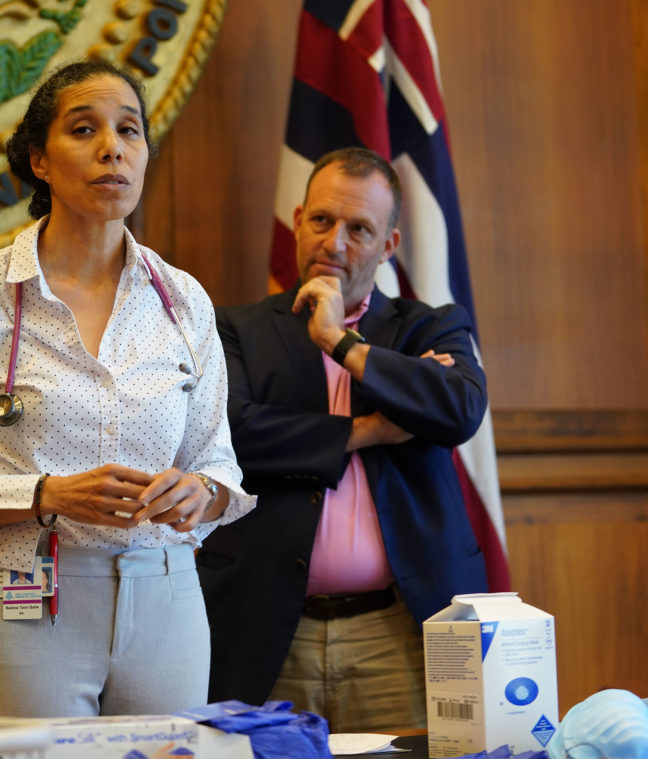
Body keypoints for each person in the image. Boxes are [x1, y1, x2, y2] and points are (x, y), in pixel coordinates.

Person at [0, 59, 254, 719]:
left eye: (129, 131)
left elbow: (219, 466)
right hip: (27, 599)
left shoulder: (182, 301)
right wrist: (46, 495)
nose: (111, 148)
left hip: (168, 598)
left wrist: (200, 492)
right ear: (40, 159)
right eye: (84, 129)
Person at [195, 147, 489, 732]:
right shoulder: (234, 328)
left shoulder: (430, 325)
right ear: (298, 220)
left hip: (400, 629)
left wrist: (340, 343)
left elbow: (456, 409)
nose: (334, 243)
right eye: (323, 221)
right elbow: (233, 435)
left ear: (389, 247)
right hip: (269, 626)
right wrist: (370, 430)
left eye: (360, 229)